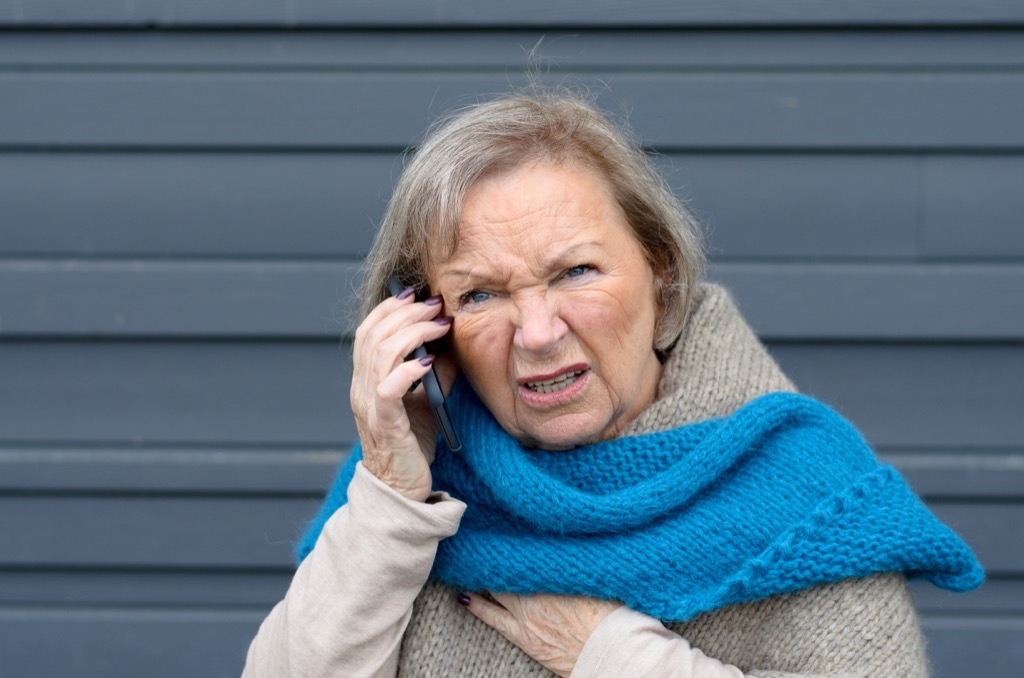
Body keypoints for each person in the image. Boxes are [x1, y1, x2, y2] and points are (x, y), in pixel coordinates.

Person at [243, 89, 983, 677]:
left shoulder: (797, 494)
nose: (536, 331)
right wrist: (391, 497)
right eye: (480, 295)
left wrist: (608, 654)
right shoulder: (415, 486)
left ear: (661, 275)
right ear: (428, 323)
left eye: (575, 272)